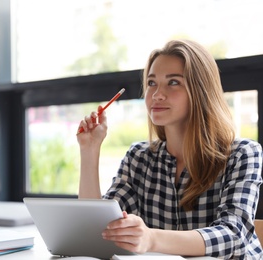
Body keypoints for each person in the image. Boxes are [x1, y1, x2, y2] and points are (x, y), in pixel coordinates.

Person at [76, 39, 263, 259]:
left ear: (200, 90)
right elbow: (98, 230)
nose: (157, 94)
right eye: (152, 83)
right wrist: (89, 150)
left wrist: (152, 238)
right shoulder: (139, 157)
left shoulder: (242, 154)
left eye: (173, 82)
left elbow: (232, 235)